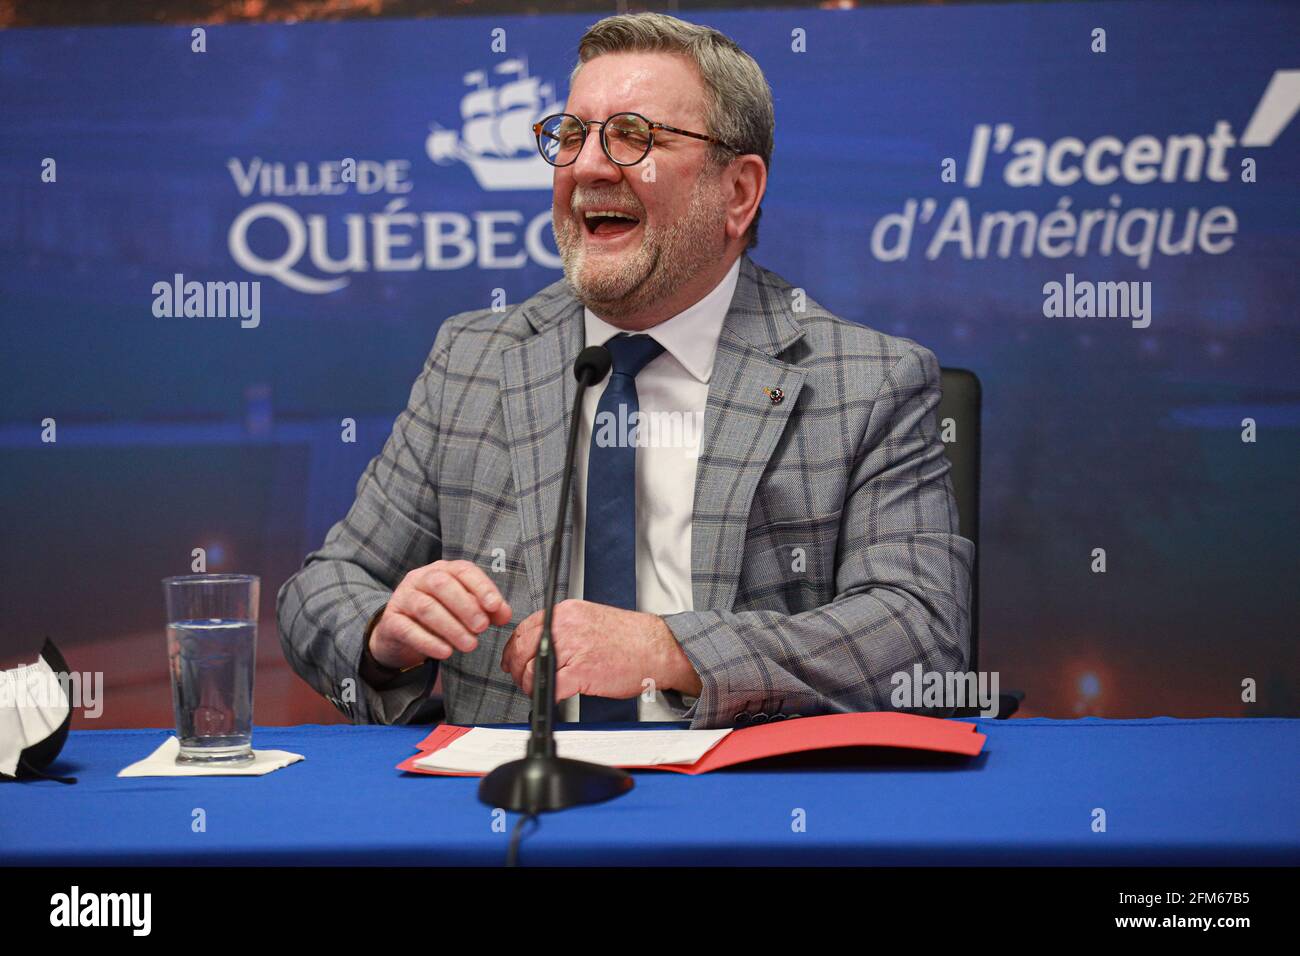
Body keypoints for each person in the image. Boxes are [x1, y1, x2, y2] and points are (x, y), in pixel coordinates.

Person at [277, 12, 973, 729]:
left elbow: (922, 635)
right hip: (507, 810)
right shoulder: (473, 359)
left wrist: (673, 649)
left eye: (634, 136)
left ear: (737, 192)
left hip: (745, 813)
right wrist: (381, 635)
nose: (586, 167)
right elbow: (321, 589)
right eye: (571, 136)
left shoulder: (868, 380)